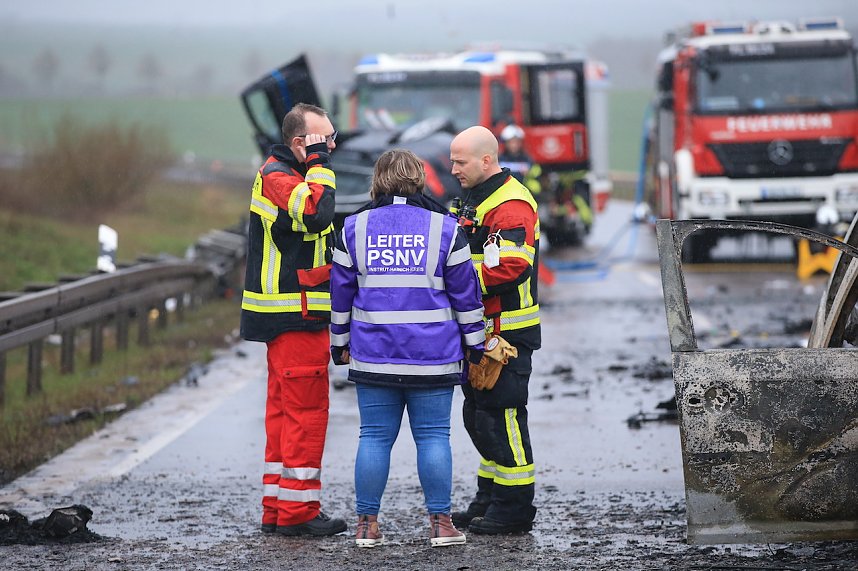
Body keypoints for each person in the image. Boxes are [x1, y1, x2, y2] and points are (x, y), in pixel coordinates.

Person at [329, 149, 486, 548]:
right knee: (434, 437)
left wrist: (339, 344)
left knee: (374, 437)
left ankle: (367, 526)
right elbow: (466, 297)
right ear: (419, 179)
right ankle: (441, 526)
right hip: (433, 357)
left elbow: (341, 295)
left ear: (377, 180)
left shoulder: (352, 228)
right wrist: (476, 345)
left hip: (374, 354)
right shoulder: (447, 230)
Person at [240, 102, 347, 537]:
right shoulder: (282, 178)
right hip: (295, 315)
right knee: (305, 414)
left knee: (285, 415)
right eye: (325, 139)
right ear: (300, 142)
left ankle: (277, 507)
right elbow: (318, 212)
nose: (333, 146)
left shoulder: (286, 176)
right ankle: (299, 514)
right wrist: (320, 164)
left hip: (289, 315)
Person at [448, 125, 541, 534]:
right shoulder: (474, 196)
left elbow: (509, 268)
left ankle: (515, 507)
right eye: (452, 161)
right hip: (478, 330)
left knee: (503, 417)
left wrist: (454, 280)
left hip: (506, 334)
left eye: (460, 161)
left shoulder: (511, 204)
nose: (453, 169)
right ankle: (489, 497)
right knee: (479, 415)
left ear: (487, 160)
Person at [497, 124, 542, 196]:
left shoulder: (527, 159)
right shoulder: (499, 159)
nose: (514, 145)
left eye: (516, 142)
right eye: (511, 142)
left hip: (524, 195)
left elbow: (537, 177)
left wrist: (529, 174)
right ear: (506, 143)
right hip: (504, 195)